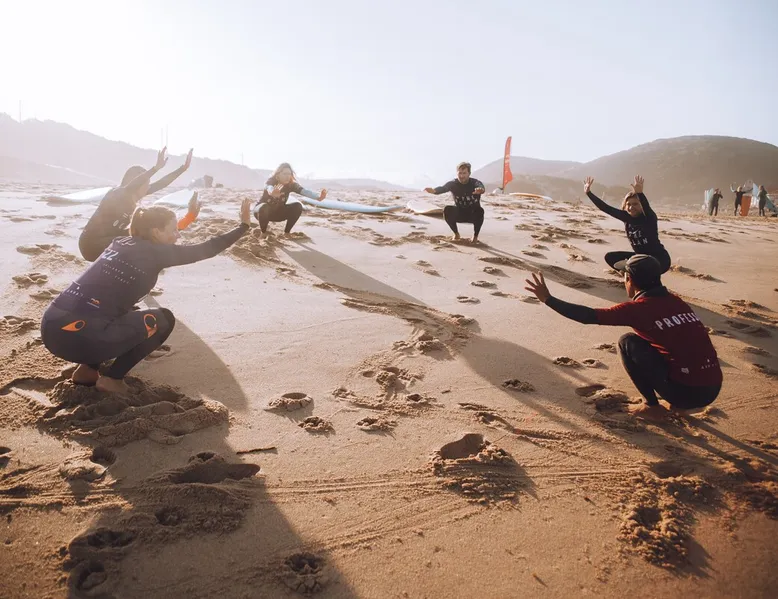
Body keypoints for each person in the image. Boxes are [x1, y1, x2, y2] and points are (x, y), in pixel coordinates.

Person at [41, 199, 252, 394]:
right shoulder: (156, 253)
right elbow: (207, 248)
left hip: (52, 329)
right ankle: (112, 379)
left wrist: (188, 218)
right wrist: (243, 226)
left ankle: (87, 370)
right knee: (164, 320)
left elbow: (154, 241)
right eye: (173, 230)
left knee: (111, 310)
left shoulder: (120, 241)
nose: (178, 235)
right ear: (156, 232)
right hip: (81, 338)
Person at [524, 254, 722, 421]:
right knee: (671, 346)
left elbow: (587, 316)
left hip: (685, 392)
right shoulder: (676, 301)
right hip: (712, 388)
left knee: (628, 342)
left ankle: (652, 407)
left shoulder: (637, 309)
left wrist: (548, 299)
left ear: (630, 280)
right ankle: (679, 402)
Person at [78, 148, 200, 262]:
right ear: (137, 183)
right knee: (139, 242)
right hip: (90, 245)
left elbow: (161, 184)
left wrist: (182, 169)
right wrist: (155, 168)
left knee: (148, 235)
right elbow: (132, 186)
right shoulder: (116, 195)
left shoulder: (135, 205)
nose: (148, 186)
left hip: (110, 242)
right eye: (146, 183)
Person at [584, 175, 671, 274]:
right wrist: (588, 193)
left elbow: (647, 208)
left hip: (660, 260)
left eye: (635, 204)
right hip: (640, 258)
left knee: (643, 264)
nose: (631, 207)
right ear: (625, 206)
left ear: (641, 205)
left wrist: (640, 193)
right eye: (628, 204)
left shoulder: (649, 218)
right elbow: (605, 208)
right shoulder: (626, 217)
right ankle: (631, 274)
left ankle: (639, 275)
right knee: (610, 257)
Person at [253, 163, 327, 238]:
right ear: (278, 174)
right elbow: (268, 187)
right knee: (264, 207)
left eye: (289, 174)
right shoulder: (271, 181)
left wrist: (318, 197)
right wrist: (272, 192)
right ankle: (263, 233)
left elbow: (304, 191)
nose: (287, 176)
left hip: (277, 213)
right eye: (285, 174)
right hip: (260, 213)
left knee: (297, 206)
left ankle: (287, 233)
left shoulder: (291, 185)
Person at [425, 162, 486, 243]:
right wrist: (434, 191)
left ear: (469, 173)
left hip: (473, 214)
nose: (462, 176)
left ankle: (475, 237)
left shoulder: (475, 182)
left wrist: (480, 190)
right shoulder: (453, 183)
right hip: (459, 213)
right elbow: (443, 188)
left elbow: (481, 187)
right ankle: (456, 234)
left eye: (464, 173)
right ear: (457, 173)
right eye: (460, 173)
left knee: (480, 211)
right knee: (447, 210)